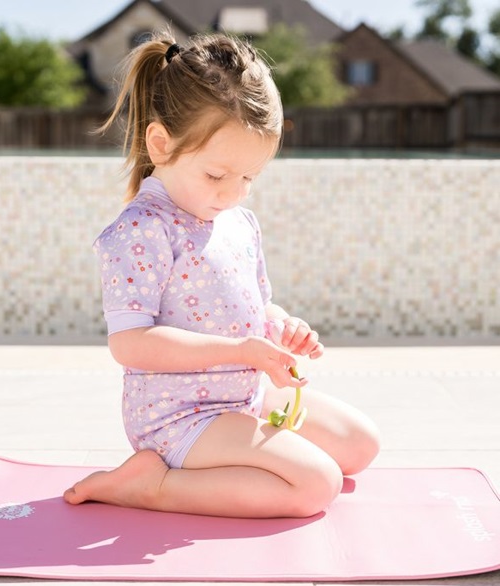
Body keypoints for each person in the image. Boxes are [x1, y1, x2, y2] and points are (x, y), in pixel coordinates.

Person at [63, 31, 380, 518]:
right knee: (317, 485)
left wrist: (280, 326)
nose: (233, 194)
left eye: (249, 178)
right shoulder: (141, 231)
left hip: (244, 394)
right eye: (217, 175)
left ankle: (232, 462)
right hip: (181, 415)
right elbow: (130, 344)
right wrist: (240, 352)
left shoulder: (237, 222)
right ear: (161, 143)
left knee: (360, 446)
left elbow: (255, 307)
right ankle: (155, 484)